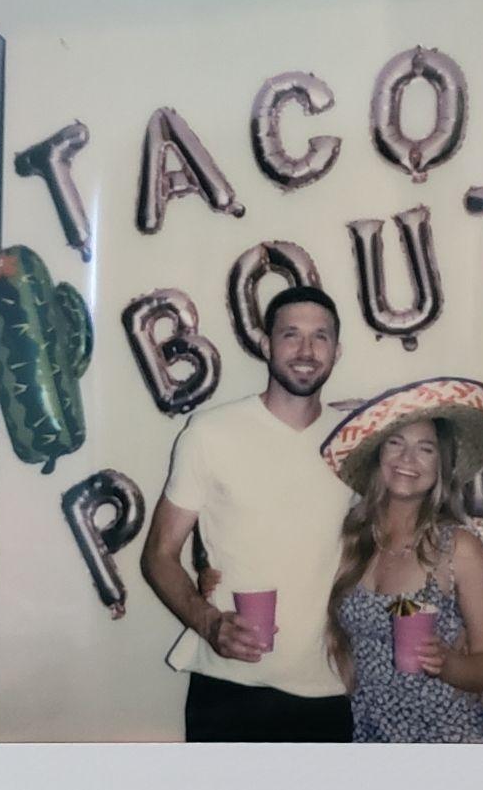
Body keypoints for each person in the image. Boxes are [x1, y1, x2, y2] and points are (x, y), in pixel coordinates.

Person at [140, 285, 354, 742]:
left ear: (337, 350)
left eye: (320, 337)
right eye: (290, 335)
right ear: (265, 344)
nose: (306, 351)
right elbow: (159, 554)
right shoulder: (210, 433)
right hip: (228, 686)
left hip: (329, 686)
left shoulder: (355, 441)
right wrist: (208, 622)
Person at [319, 377, 483, 742]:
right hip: (370, 736)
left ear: (441, 465)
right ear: (378, 455)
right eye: (395, 443)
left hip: (448, 739)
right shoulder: (351, 539)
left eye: (426, 449)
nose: (407, 459)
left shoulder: (459, 549)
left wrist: (451, 665)